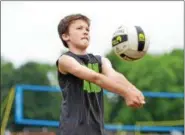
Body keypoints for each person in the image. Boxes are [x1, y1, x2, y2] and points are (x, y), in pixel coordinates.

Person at [56, 13, 145, 135]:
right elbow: (95, 78)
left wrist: (133, 89)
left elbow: (114, 75)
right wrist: (126, 92)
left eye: (87, 29)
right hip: (73, 130)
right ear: (65, 36)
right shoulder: (65, 60)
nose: (85, 32)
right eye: (79, 28)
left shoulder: (100, 60)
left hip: (97, 130)